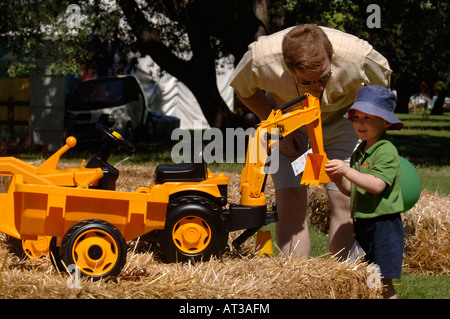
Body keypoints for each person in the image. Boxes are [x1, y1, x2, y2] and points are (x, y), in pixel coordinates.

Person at [230, 24, 392, 258]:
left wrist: (363, 120)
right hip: (290, 122)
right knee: (290, 203)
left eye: (324, 77)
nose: (319, 88)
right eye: (308, 82)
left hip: (342, 120)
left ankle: (343, 277)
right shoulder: (260, 59)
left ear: (330, 56)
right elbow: (244, 91)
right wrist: (280, 130)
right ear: (287, 67)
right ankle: (298, 279)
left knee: (344, 200)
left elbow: (381, 89)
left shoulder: (359, 56)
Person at [325, 85, 404, 299]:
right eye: (356, 116)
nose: (360, 122)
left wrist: (347, 170)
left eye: (368, 118)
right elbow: (352, 190)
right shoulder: (361, 151)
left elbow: (377, 185)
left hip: (384, 226)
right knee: (368, 280)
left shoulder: (386, 150)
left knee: (382, 282)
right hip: (364, 224)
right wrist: (339, 179)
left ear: (385, 121)